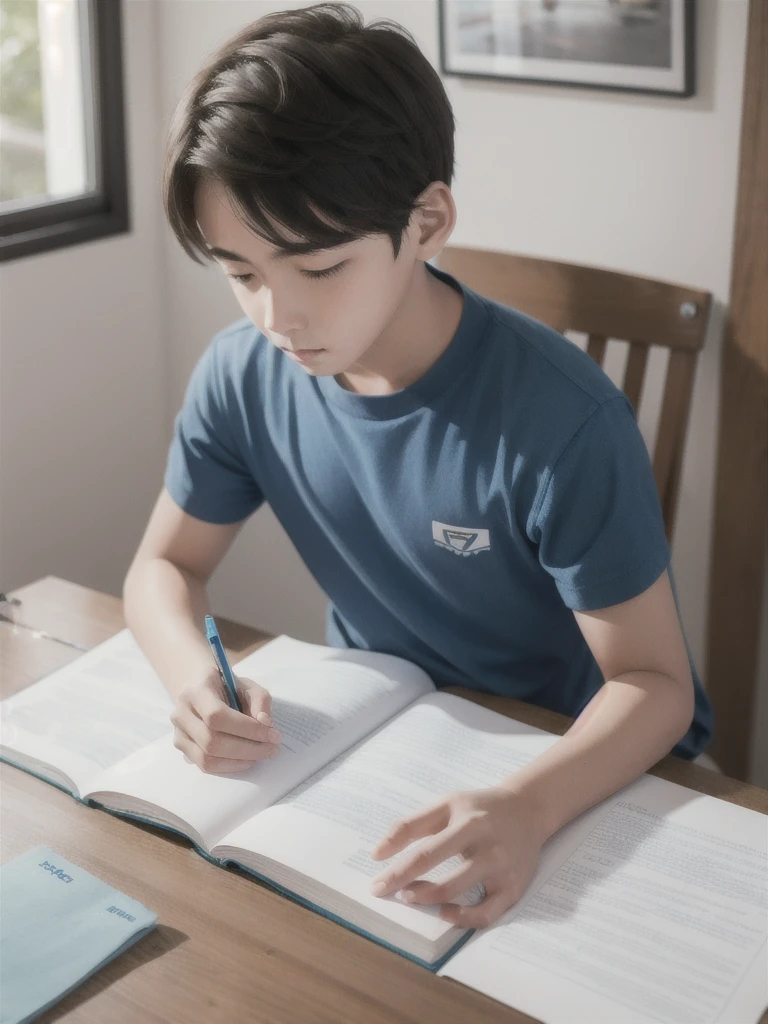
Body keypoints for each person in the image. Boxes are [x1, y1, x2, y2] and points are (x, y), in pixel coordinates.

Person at [123, 1, 714, 930]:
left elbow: (657, 687)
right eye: (242, 273)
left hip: (571, 764)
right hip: (378, 746)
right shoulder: (242, 379)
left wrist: (529, 803)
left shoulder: (564, 421)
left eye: (317, 269)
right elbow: (165, 567)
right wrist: (192, 682)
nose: (279, 318)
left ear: (428, 219)